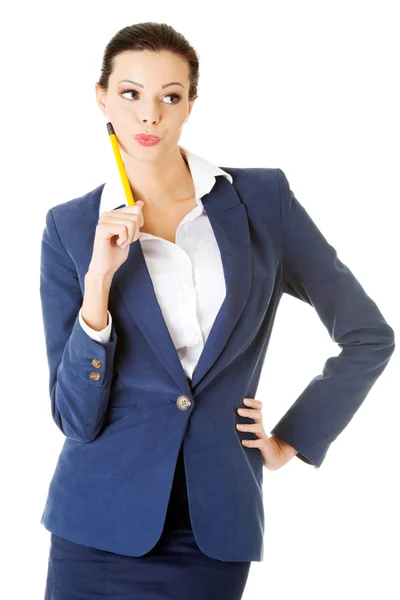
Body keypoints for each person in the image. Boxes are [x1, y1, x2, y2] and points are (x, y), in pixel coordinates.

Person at [40, 21, 395, 600]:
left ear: (190, 106)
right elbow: (75, 418)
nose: (149, 115)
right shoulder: (70, 227)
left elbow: (368, 335)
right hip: (97, 529)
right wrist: (98, 281)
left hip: (213, 529)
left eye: (169, 97)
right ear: (101, 97)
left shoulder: (261, 202)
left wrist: (291, 441)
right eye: (130, 94)